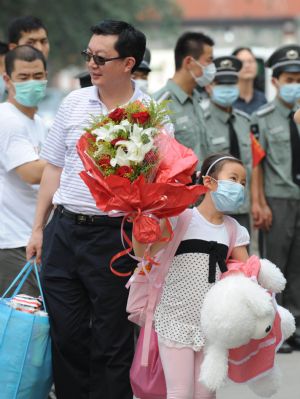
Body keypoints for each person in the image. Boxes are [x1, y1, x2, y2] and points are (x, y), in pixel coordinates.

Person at [26, 20, 153, 399]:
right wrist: (38, 228)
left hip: (114, 237)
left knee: (112, 339)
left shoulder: (148, 113)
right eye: (89, 55)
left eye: (101, 57)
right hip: (64, 231)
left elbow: (156, 189)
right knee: (67, 333)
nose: (92, 64)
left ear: (128, 63)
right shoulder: (73, 103)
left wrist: (148, 249)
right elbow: (54, 167)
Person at [133, 154, 250, 399]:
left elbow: (246, 275)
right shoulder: (180, 218)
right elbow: (143, 253)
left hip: (211, 326)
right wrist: (139, 220)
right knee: (180, 392)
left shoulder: (235, 231)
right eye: (233, 178)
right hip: (175, 319)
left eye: (243, 183)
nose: (239, 187)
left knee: (206, 394)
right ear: (208, 182)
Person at [251, 44, 300, 353]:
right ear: (276, 81)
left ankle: (296, 324)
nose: (295, 84)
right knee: (275, 268)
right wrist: (259, 202)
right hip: (277, 198)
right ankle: (276, 328)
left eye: (299, 78)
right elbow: (256, 165)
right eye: (290, 78)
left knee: (298, 266)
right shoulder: (262, 118)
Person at [0, 45, 48, 296]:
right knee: (18, 327)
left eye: (38, 76)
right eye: (24, 77)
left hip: (29, 239)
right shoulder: (7, 119)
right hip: (10, 242)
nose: (33, 83)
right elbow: (31, 172)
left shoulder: (38, 122)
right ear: (7, 79)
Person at [204, 56, 253, 233]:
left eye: (231, 84)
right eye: (221, 84)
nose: (227, 89)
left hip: (242, 207)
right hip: (212, 209)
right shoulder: (202, 121)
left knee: (243, 259)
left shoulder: (245, 122)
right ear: (209, 86)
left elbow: (251, 166)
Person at [153, 32, 216, 165]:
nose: (212, 67)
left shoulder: (197, 100)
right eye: (209, 61)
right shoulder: (160, 104)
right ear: (189, 62)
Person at [232, 47, 267, 115]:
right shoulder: (228, 99)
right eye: (242, 62)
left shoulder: (262, 99)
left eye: (251, 61)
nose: (247, 65)